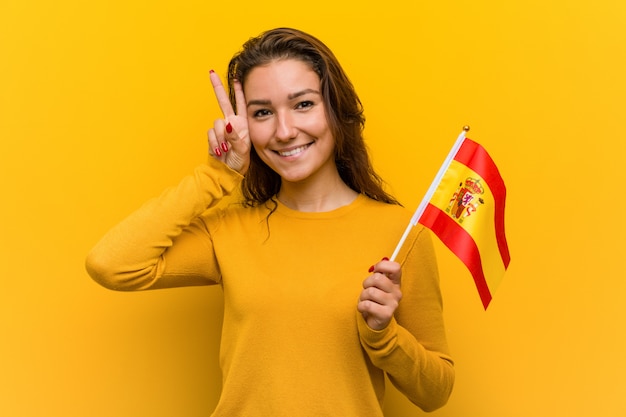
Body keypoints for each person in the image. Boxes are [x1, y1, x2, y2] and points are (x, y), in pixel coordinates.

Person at [86, 27, 454, 416]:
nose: (283, 131)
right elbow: (111, 264)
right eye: (263, 112)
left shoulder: (400, 234)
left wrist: (385, 336)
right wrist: (218, 174)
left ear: (335, 108)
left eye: (303, 104)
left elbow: (435, 393)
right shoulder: (229, 231)